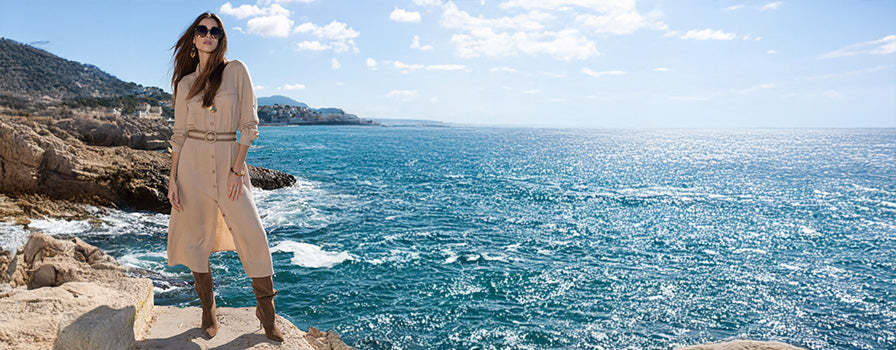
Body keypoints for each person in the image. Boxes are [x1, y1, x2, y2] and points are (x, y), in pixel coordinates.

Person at [166, 12, 283, 342]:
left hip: (230, 164)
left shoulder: (236, 71)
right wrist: (172, 179)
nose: (208, 35)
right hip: (192, 167)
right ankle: (208, 309)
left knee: (254, 235)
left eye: (215, 31)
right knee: (195, 238)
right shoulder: (185, 84)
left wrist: (237, 169)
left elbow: (249, 125)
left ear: (221, 38)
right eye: (202, 30)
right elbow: (178, 134)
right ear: (193, 38)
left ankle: (267, 313)